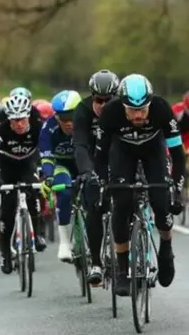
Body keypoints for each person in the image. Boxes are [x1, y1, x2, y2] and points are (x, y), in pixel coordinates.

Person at [94, 73, 185, 296]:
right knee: (122, 204)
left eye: (143, 109)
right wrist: (103, 185)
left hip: (153, 150)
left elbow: (177, 154)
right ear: (123, 105)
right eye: (133, 110)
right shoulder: (111, 113)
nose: (138, 115)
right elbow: (101, 155)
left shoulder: (162, 109)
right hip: (122, 152)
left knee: (162, 203)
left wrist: (177, 188)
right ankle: (123, 271)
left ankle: (166, 248)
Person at [73, 69, 120, 285]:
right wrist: (86, 172)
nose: (102, 105)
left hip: (118, 157)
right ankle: (96, 263)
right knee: (94, 204)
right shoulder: (82, 110)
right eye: (98, 100)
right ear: (92, 97)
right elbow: (81, 145)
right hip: (93, 159)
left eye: (107, 100)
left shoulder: (122, 109)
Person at [0, 92, 46, 274]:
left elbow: (45, 151)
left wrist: (44, 171)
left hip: (27, 166)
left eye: (23, 119)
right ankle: (7, 255)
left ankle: (37, 233)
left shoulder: (39, 127)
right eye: (15, 121)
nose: (20, 124)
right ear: (9, 120)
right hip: (8, 170)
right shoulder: (1, 131)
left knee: (33, 193)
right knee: (7, 213)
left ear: (28, 117)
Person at [39, 90, 82, 262]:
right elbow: (47, 157)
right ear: (56, 117)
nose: (69, 123)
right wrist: (48, 177)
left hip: (84, 164)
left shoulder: (90, 123)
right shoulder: (48, 128)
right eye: (64, 118)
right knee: (63, 194)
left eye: (72, 116)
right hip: (62, 166)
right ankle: (64, 242)